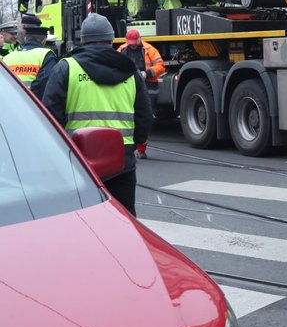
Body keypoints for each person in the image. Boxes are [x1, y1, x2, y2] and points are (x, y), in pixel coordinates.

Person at [43, 13, 153, 216]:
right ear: (111, 40)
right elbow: (145, 116)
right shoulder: (130, 72)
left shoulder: (66, 68)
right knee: (125, 219)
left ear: (82, 40)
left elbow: (50, 115)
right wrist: (133, 145)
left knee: (82, 220)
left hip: (78, 160)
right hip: (122, 161)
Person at [118, 28, 165, 159]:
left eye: (134, 42)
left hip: (148, 86)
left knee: (145, 117)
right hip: (128, 86)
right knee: (129, 117)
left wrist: (147, 73)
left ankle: (141, 148)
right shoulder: (122, 49)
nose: (132, 45)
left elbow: (160, 66)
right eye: (130, 42)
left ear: (140, 39)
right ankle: (132, 147)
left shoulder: (149, 50)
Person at [2, 14, 56, 98]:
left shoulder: (7, 57)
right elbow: (44, 85)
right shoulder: (46, 55)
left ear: (26, 38)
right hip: (32, 106)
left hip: (10, 104)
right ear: (44, 40)